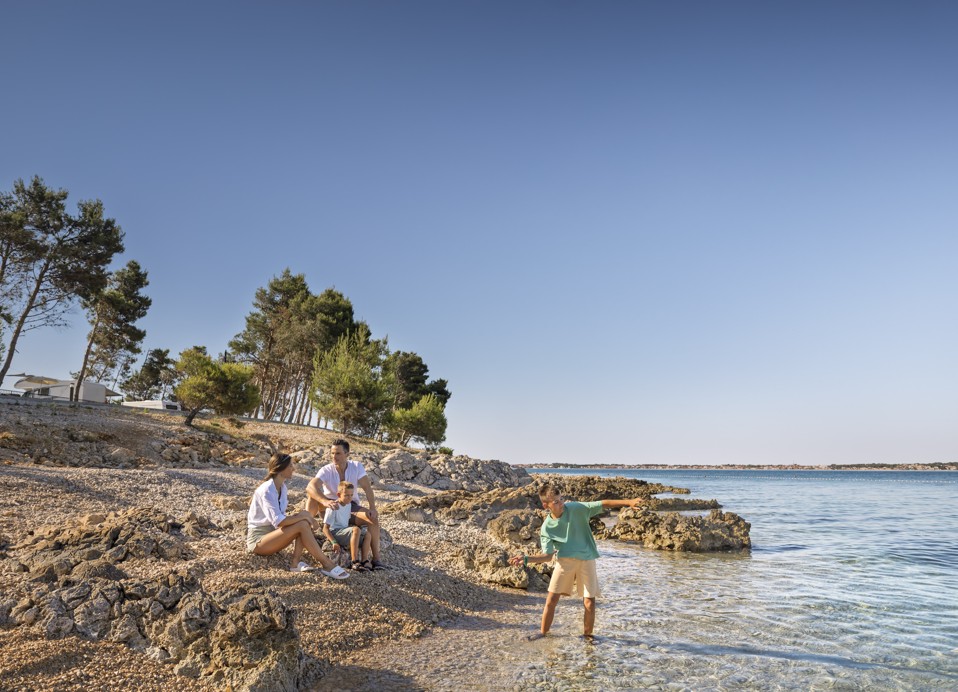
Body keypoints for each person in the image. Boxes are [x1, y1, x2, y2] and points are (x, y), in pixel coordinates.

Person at [509, 483, 644, 640]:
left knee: (589, 602)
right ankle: (543, 632)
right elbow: (547, 556)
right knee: (551, 600)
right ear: (546, 505)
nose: (561, 504)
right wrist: (526, 559)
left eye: (561, 499)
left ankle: (588, 636)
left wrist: (629, 502)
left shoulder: (576, 508)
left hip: (586, 559)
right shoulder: (547, 528)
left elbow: (603, 503)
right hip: (564, 561)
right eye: (556, 502)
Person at [247, 452, 350, 579]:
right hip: (259, 542)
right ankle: (327, 564)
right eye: (290, 466)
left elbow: (281, 518)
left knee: (304, 517)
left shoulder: (282, 487)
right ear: (281, 469)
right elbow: (278, 521)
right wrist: (306, 518)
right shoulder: (267, 490)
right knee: (303, 521)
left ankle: (295, 563)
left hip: (273, 536)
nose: (293, 469)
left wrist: (306, 516)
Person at [306, 439, 387, 570]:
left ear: (347, 454)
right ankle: (306, 527)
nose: (334, 457)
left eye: (337, 453)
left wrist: (372, 508)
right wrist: (325, 501)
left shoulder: (356, 466)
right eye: (332, 453)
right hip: (331, 507)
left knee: (373, 518)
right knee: (312, 495)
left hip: (351, 507)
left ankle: (376, 560)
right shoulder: (326, 469)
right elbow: (310, 486)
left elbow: (367, 487)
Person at [323, 481, 377, 571]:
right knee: (355, 529)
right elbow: (325, 529)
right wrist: (334, 542)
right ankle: (354, 561)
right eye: (346, 495)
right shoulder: (333, 507)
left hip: (345, 532)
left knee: (367, 535)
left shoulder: (348, 505)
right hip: (335, 532)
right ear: (339, 494)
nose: (349, 498)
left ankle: (364, 560)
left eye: (351, 495)